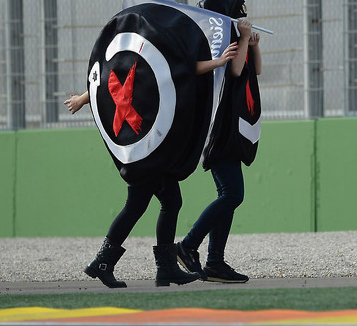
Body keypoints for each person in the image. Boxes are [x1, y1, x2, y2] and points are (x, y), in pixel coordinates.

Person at [64, 41, 241, 288]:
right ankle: (107, 263)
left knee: (167, 201)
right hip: (145, 148)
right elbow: (184, 70)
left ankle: (159, 267)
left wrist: (83, 100)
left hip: (147, 147)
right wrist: (218, 62)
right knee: (139, 204)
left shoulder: (141, 55)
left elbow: (108, 82)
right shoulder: (150, 57)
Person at [176, 0, 262, 283]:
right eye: (239, 16)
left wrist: (252, 45)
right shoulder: (217, 43)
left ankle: (214, 262)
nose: (244, 21)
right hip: (219, 131)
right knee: (232, 194)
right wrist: (242, 40)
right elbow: (236, 71)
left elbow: (254, 70)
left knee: (228, 196)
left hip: (233, 132)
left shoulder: (235, 42)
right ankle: (188, 245)